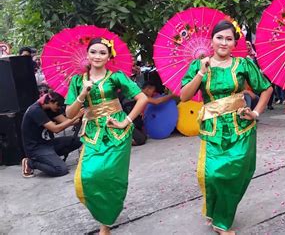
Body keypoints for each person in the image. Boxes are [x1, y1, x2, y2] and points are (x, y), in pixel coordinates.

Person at [180, 20, 273, 235]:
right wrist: (201, 73)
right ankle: (215, 211)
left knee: (238, 173)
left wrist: (256, 112)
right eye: (219, 37)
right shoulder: (198, 65)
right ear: (211, 41)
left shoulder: (243, 65)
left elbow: (266, 89)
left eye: (229, 39)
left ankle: (222, 221)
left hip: (241, 127)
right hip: (213, 129)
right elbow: (184, 96)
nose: (223, 42)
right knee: (212, 175)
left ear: (234, 43)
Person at [65, 37, 148, 235]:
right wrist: (82, 95)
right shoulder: (78, 81)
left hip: (117, 131)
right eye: (93, 52)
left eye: (103, 52)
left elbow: (143, 98)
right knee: (87, 177)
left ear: (109, 56)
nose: (97, 56)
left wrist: (126, 121)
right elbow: (69, 113)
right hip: (93, 132)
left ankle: (106, 224)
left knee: (112, 177)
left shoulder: (115, 77)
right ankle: (103, 212)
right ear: (87, 54)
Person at [21, 91, 83, 178]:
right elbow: (56, 129)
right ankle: (31, 162)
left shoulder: (51, 108)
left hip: (45, 144)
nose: (59, 108)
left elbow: (66, 122)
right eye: (58, 105)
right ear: (51, 101)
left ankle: (50, 159)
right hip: (35, 149)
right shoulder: (35, 110)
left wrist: (80, 113)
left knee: (77, 141)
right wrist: (75, 118)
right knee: (61, 170)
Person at [120, 81, 175, 146]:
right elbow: (157, 101)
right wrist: (173, 95)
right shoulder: (139, 95)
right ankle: (122, 141)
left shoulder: (135, 93)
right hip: (123, 121)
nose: (152, 93)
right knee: (141, 139)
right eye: (152, 90)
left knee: (143, 132)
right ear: (147, 89)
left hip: (129, 120)